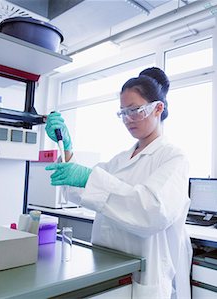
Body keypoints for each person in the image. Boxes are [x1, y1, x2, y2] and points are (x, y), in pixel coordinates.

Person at [45, 67, 192, 299]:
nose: (128, 119)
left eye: (135, 110)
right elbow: (78, 191)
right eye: (123, 113)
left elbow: (152, 212)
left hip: (145, 276)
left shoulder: (173, 158)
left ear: (158, 108)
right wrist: (67, 148)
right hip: (109, 268)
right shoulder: (120, 159)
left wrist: (89, 178)